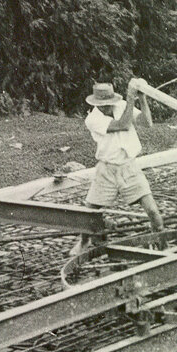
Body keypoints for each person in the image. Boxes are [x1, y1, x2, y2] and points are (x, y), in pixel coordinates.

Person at [73, 81, 165, 255]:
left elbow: (147, 123)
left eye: (109, 102)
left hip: (129, 167)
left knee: (152, 210)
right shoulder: (92, 119)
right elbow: (123, 125)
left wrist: (142, 98)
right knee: (90, 211)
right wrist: (131, 98)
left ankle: (161, 241)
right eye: (103, 104)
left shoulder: (121, 105)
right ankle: (83, 241)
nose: (108, 106)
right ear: (96, 104)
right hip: (106, 169)